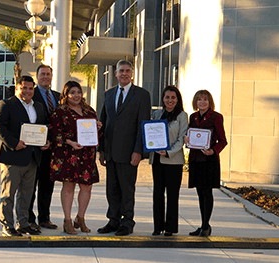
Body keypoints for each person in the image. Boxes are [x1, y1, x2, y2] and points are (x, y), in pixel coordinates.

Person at [97, 60, 151, 236]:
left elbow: (143, 124)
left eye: (128, 71)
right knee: (111, 189)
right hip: (111, 152)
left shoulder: (142, 95)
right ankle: (113, 220)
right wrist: (102, 150)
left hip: (129, 153)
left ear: (132, 73)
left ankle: (127, 222)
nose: (124, 74)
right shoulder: (108, 94)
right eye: (121, 71)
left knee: (127, 190)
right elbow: (103, 122)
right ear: (115, 73)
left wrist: (138, 151)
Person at [0, 75, 49, 237]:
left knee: (26, 194)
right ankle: (7, 225)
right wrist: (14, 143)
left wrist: (47, 141)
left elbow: (44, 126)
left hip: (32, 157)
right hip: (12, 156)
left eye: (30, 88)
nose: (27, 91)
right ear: (17, 88)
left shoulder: (38, 106)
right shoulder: (6, 104)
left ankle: (23, 223)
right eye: (24, 88)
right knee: (8, 194)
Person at [49, 81, 102, 235]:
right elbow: (54, 133)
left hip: (86, 155)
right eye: (72, 92)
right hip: (68, 154)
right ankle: (67, 220)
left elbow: (95, 135)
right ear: (66, 95)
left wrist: (98, 128)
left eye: (78, 92)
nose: (76, 95)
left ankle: (81, 218)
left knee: (87, 187)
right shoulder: (59, 112)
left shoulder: (89, 111)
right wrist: (69, 141)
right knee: (69, 187)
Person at [184, 90, 227, 237]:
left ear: (210, 102)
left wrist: (213, 151)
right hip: (196, 160)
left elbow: (223, 140)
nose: (202, 102)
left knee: (207, 193)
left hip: (209, 161)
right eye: (199, 100)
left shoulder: (216, 117)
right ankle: (204, 224)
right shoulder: (193, 117)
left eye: (205, 100)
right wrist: (187, 140)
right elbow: (191, 135)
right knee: (200, 193)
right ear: (195, 102)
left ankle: (205, 226)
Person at [149, 85, 188, 236]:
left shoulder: (182, 116)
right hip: (157, 159)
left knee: (172, 195)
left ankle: (170, 228)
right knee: (157, 194)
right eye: (167, 97)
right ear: (163, 99)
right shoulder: (157, 113)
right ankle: (157, 226)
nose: (170, 100)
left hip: (174, 161)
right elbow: (151, 133)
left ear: (177, 99)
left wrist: (168, 152)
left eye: (173, 97)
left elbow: (181, 140)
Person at [28, 65, 60, 231]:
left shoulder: (58, 96)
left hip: (52, 150)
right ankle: (29, 218)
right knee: (31, 186)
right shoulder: (31, 94)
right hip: (35, 149)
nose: (46, 77)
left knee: (47, 186)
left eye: (48, 74)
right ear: (37, 76)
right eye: (43, 74)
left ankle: (44, 218)